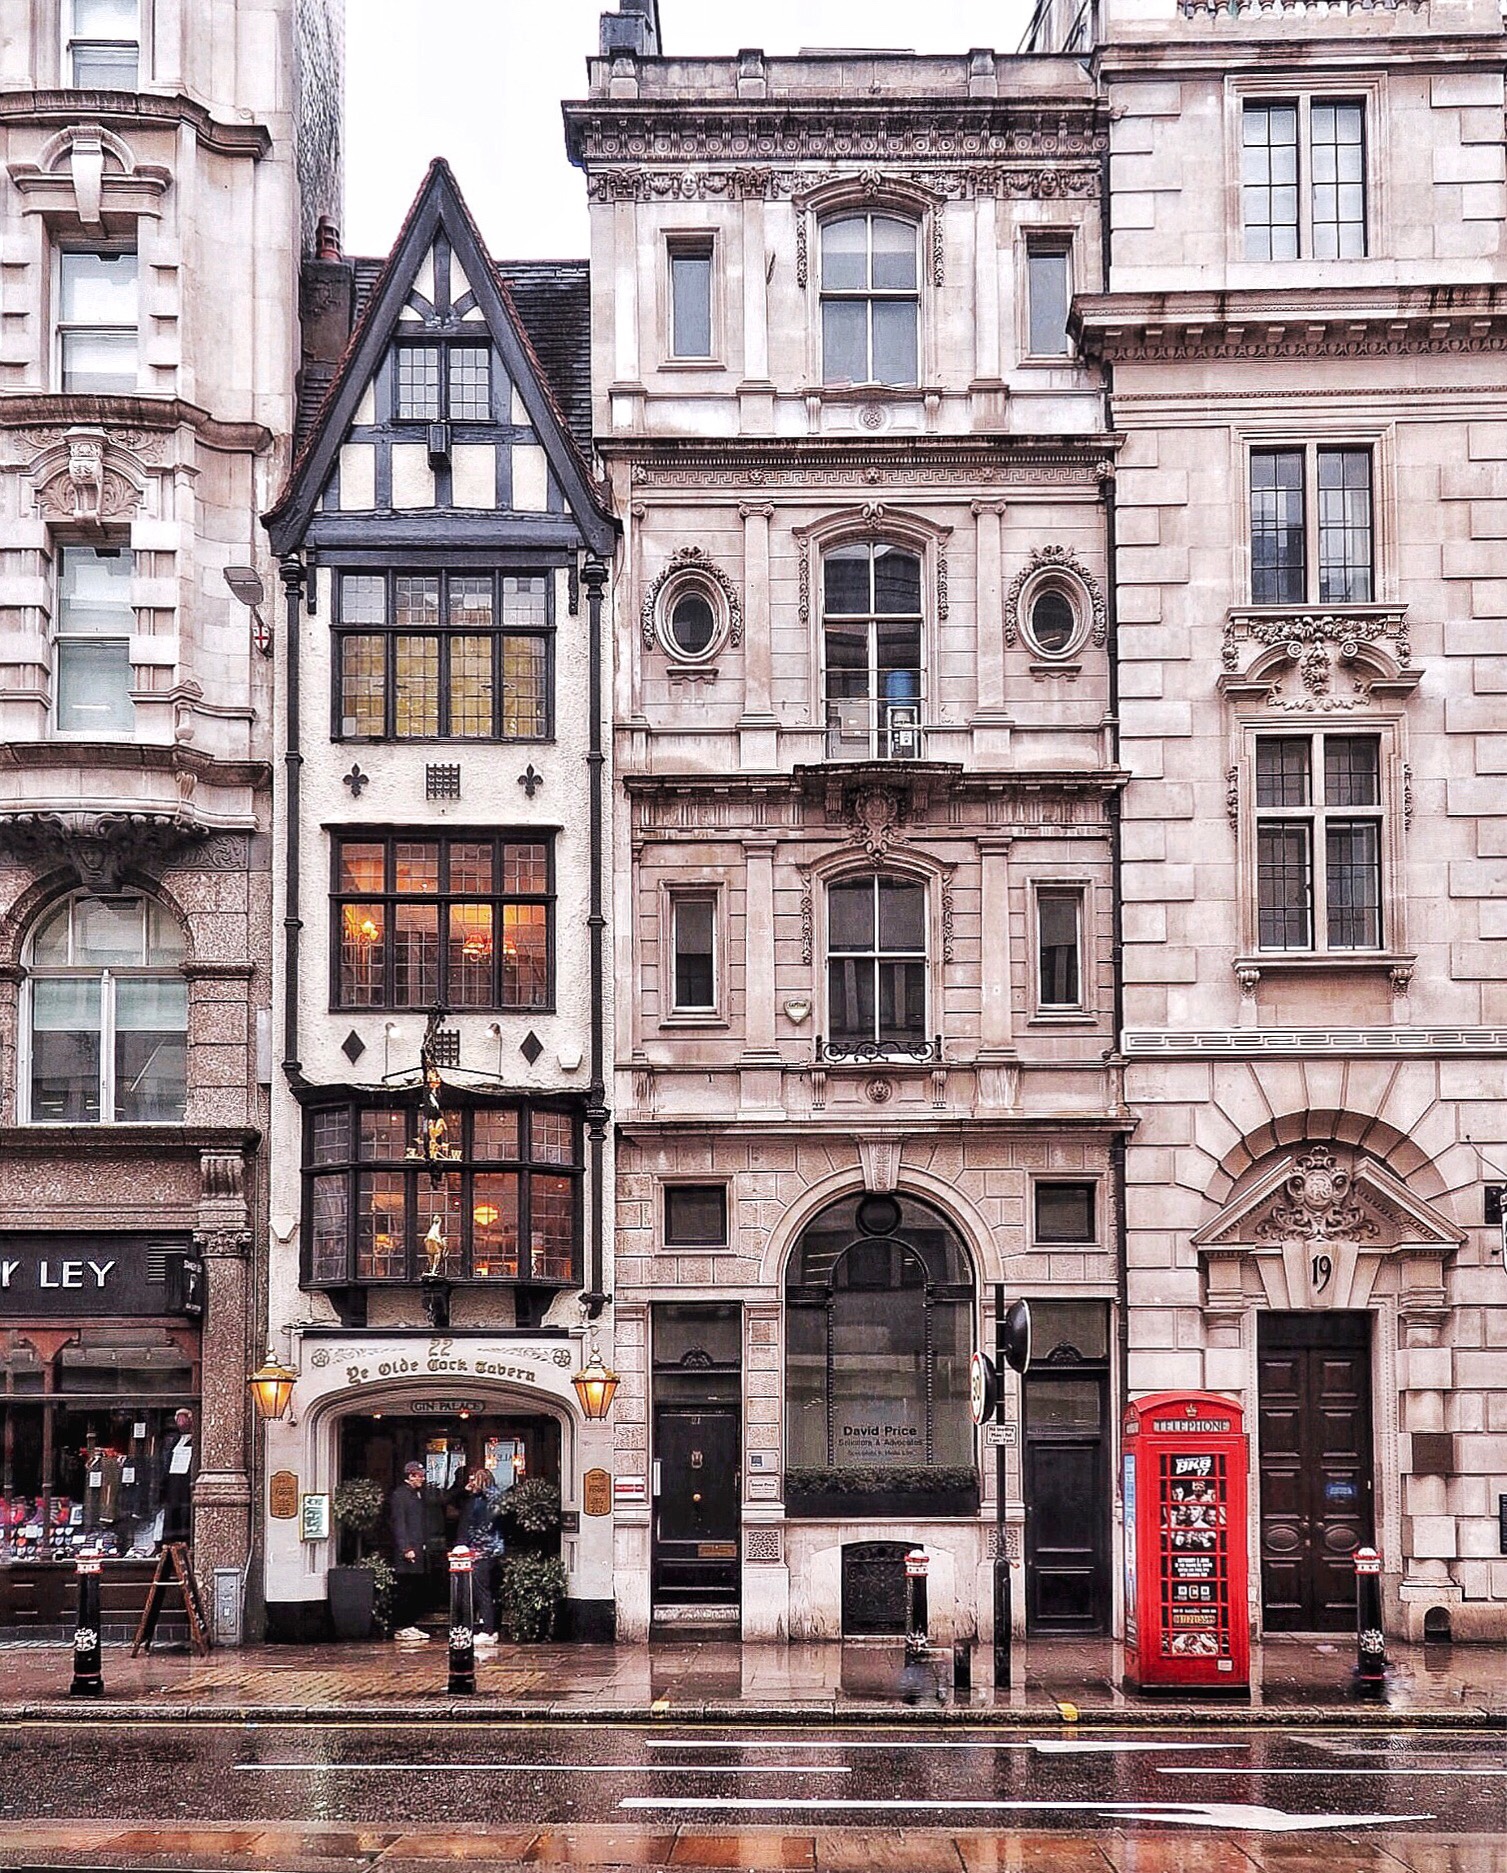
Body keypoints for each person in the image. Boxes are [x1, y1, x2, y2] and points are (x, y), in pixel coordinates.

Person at [457, 1466, 505, 1647]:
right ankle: (492, 1629)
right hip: (493, 1551)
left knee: (482, 1591)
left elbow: (475, 1526)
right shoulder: (496, 1497)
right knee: (489, 1591)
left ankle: (488, 1630)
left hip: (481, 1552)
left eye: (472, 1480)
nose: (470, 1483)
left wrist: (470, 1548)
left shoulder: (480, 1501)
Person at [389, 1460, 430, 1642]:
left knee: (416, 1590)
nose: (422, 1479)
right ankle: (402, 1626)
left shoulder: (417, 1494)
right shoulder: (400, 1495)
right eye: (419, 1476)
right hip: (408, 1553)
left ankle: (410, 1624)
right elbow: (399, 1524)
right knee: (405, 1589)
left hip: (419, 1549)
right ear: (411, 1476)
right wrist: (406, 1548)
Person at [159, 1408, 195, 1548]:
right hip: (172, 1487)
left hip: (186, 1487)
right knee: (172, 1514)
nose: (181, 1423)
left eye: (184, 1418)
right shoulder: (175, 1440)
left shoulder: (196, 1440)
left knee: (184, 1514)